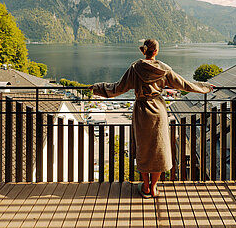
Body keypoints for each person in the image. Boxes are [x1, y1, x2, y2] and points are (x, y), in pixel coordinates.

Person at [89, 39, 214, 198]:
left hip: (142, 111)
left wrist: (96, 88)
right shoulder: (164, 69)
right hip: (158, 111)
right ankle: (154, 187)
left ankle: (146, 187)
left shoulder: (135, 68)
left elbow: (117, 88)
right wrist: (206, 87)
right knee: (158, 148)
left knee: (143, 148)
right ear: (156, 51)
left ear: (144, 51)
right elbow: (184, 84)